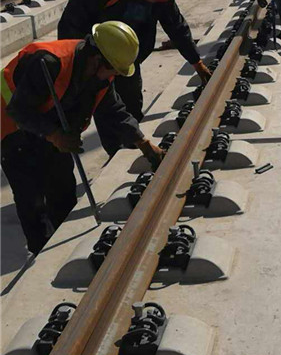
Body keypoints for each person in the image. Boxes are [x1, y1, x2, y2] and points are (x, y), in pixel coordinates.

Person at [0, 22, 164, 256]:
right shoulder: (49, 63)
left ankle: (63, 247)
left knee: (62, 188)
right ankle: (40, 250)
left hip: (52, 124)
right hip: (12, 126)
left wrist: (143, 143)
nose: (115, 75)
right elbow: (18, 110)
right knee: (31, 196)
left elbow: (114, 111)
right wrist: (54, 135)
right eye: (114, 69)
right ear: (96, 59)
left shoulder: (99, 76)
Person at [58, 0, 212, 155]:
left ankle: (133, 148)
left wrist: (196, 62)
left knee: (131, 102)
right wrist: (83, 66)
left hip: (126, 55)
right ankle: (116, 153)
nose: (156, 3)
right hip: (95, 55)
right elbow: (71, 24)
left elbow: (175, 24)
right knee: (105, 106)